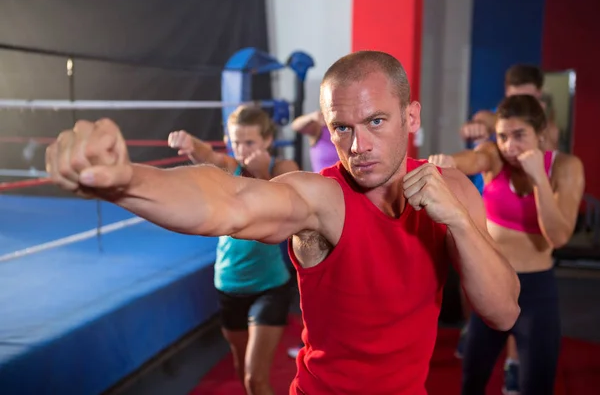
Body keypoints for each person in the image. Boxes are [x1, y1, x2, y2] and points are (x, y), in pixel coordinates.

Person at [45, 50, 520, 395]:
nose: (358, 147)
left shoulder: (452, 190)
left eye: (376, 122)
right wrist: (124, 181)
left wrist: (458, 221)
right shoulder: (322, 198)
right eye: (342, 128)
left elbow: (502, 312)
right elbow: (228, 200)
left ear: (410, 116)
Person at [429, 94, 585, 395]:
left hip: (537, 291)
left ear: (540, 135)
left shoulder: (565, 167)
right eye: (502, 136)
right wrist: (449, 162)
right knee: (472, 377)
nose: (509, 146)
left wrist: (539, 177)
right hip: (493, 284)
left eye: (519, 136)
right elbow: (472, 159)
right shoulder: (495, 157)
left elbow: (558, 237)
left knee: (535, 385)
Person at [167, 105, 298, 395]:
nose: (241, 149)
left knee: (255, 377)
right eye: (235, 141)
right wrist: (191, 145)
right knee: (242, 372)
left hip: (270, 286)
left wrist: (262, 173)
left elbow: (286, 210)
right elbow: (208, 157)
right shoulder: (230, 168)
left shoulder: (282, 168)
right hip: (229, 283)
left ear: (267, 140)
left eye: (249, 142)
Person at [455, 64, 561, 394]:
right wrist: (468, 134)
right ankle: (468, 324)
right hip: (491, 219)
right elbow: (476, 127)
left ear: (539, 95)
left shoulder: (549, 131)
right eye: (516, 96)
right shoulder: (494, 119)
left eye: (528, 97)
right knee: (472, 372)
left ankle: (514, 362)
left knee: (533, 375)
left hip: (534, 270)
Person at [286, 109, 341, 359]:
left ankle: (338, 342)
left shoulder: (348, 132)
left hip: (345, 208)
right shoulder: (319, 130)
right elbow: (297, 125)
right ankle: (312, 343)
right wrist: (314, 117)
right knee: (315, 283)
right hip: (319, 211)